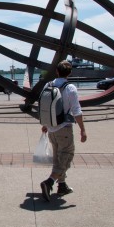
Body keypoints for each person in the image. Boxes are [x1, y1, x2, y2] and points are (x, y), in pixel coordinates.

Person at [40, 60, 87, 201]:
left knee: (57, 159)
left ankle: (62, 186)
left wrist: (45, 124)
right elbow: (76, 110)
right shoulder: (70, 88)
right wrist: (82, 130)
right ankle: (49, 182)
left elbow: (43, 106)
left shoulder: (48, 85)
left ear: (56, 71)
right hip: (64, 128)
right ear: (70, 72)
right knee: (66, 157)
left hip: (52, 129)